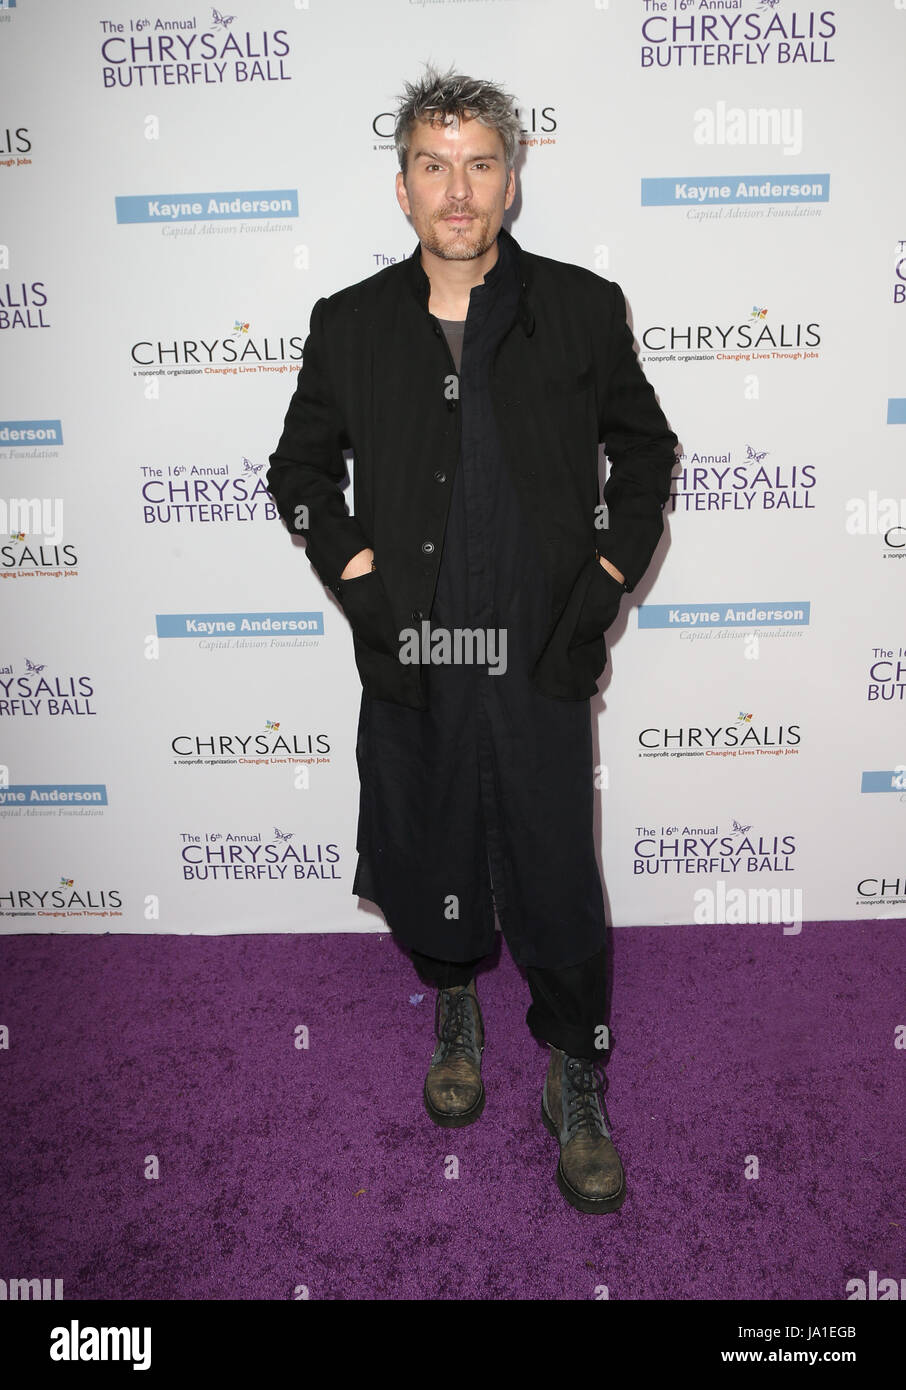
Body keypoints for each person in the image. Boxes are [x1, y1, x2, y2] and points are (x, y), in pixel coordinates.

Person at [267, 64, 678, 1215]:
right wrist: (358, 578)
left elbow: (646, 455)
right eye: (435, 166)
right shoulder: (347, 325)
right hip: (417, 642)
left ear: (512, 178)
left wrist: (601, 582)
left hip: (540, 639)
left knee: (553, 862)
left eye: (481, 164)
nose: (459, 190)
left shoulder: (584, 308)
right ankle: (453, 996)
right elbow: (298, 470)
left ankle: (575, 1068)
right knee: (431, 824)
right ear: (402, 189)